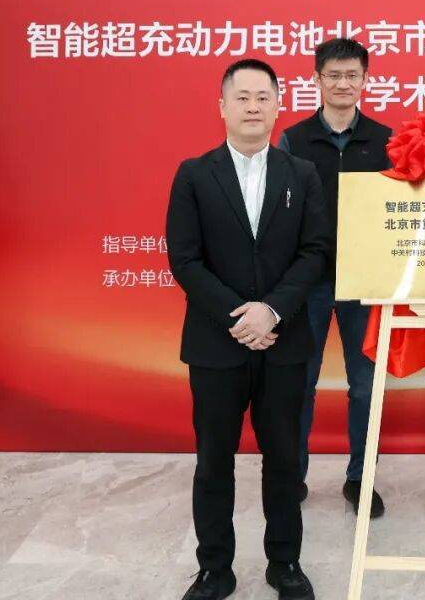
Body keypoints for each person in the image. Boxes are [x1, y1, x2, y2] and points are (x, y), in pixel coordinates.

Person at [167, 58, 330, 600]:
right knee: (213, 460)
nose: (254, 106)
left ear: (279, 106)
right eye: (243, 97)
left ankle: (285, 563)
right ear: (223, 107)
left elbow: (315, 252)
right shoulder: (194, 174)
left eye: (264, 97)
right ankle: (215, 568)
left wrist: (272, 311)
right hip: (216, 343)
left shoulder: (301, 174)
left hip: (284, 342)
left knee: (283, 459)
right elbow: (185, 259)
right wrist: (239, 316)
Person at [278, 38, 393, 518]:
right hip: (308, 283)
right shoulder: (294, 140)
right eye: (333, 75)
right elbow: (281, 214)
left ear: (366, 80)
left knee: (365, 387)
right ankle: (291, 476)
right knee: (298, 383)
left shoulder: (386, 140)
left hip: (365, 284)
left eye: (352, 75)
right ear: (317, 80)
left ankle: (360, 480)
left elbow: (397, 213)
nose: (343, 84)